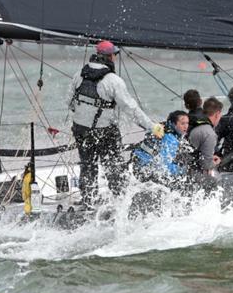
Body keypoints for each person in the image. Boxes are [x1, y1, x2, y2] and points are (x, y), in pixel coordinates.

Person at [68, 40, 163, 204]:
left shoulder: (79, 75)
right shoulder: (113, 80)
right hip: (105, 132)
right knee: (114, 168)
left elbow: (69, 102)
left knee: (88, 167)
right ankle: (122, 203)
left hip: (81, 130)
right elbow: (131, 109)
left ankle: (89, 202)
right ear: (110, 57)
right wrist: (151, 126)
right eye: (114, 55)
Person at [131, 110, 189, 181]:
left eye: (187, 123)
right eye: (182, 123)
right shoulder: (171, 139)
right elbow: (164, 165)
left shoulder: (161, 128)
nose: (186, 126)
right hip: (143, 169)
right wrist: (182, 170)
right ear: (174, 124)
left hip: (137, 159)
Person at [188, 97, 224, 175]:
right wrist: (216, 162)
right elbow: (206, 165)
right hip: (189, 172)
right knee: (217, 178)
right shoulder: (209, 133)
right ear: (217, 114)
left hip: (182, 164)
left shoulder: (194, 123)